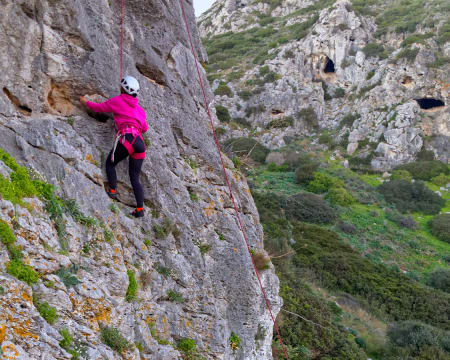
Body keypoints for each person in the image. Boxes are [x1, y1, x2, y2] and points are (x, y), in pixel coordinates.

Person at [80, 76, 148, 218]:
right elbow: (145, 128)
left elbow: (99, 108)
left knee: (111, 163)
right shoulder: (141, 110)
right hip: (140, 143)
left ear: (123, 88)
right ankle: (140, 209)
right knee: (134, 177)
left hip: (127, 138)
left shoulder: (118, 100)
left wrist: (85, 102)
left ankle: (112, 190)